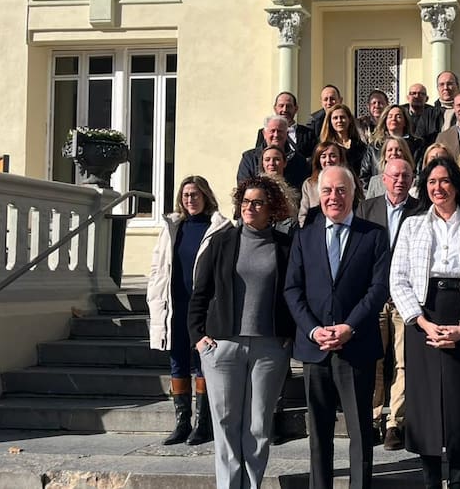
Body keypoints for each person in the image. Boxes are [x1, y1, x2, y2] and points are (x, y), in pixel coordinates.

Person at [390, 158, 460, 489]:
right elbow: (398, 278)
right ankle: (431, 480)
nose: (439, 187)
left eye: (445, 180)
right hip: (424, 316)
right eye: (432, 182)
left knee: (459, 402)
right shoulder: (411, 225)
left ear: (456, 185)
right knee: (424, 405)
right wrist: (421, 322)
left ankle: (459, 479)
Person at [284, 165, 391, 489]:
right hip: (315, 350)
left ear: (354, 193)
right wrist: (314, 330)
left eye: (341, 190)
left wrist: (349, 327)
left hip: (356, 348)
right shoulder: (304, 237)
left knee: (360, 431)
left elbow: (378, 289)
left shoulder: (373, 235)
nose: (334, 197)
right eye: (327, 190)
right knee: (319, 434)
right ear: (318, 195)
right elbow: (293, 289)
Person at [188, 175, 296, 489]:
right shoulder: (222, 242)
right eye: (246, 201)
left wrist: (288, 335)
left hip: (269, 348)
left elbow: (294, 292)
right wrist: (198, 336)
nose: (250, 207)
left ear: (271, 208)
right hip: (223, 346)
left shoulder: (285, 246)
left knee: (259, 426)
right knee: (225, 423)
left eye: (258, 202)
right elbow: (200, 292)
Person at [148, 176, 231, 446]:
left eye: (195, 194)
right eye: (185, 195)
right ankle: (182, 423)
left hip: (203, 308)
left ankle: (203, 423)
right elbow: (158, 267)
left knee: (202, 363)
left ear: (205, 195)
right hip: (175, 304)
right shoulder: (174, 227)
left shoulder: (219, 228)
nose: (190, 199)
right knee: (177, 362)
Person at [356, 158, 422, 451]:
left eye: (405, 176)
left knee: (404, 362)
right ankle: (372, 418)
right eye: (394, 176)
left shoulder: (421, 210)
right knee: (374, 360)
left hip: (405, 299)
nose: (399, 181)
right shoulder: (366, 210)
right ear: (383, 179)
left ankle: (395, 421)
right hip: (374, 297)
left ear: (411, 180)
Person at [238, 115, 309, 190]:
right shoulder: (249, 158)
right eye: (272, 131)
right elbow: (243, 186)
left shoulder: (298, 160)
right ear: (264, 134)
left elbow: (302, 190)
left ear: (287, 134)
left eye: (280, 131)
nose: (276, 135)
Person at [252, 91, 318, 160]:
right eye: (281, 106)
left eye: (289, 106)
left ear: (296, 109)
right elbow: (258, 157)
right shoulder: (266, 132)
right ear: (275, 108)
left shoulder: (308, 133)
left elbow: (313, 159)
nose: (285, 110)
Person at [321, 103, 374, 186]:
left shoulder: (360, 146)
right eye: (335, 118)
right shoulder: (324, 147)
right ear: (330, 121)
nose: (339, 121)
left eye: (342, 117)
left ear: (349, 119)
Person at [364, 135, 417, 200]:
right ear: (385, 155)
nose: (394, 153)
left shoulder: (414, 181)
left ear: (405, 154)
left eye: (399, 150)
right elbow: (368, 206)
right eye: (390, 150)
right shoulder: (375, 182)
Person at [415, 70, 460, 145]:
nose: (445, 88)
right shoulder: (428, 114)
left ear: (457, 86)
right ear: (438, 88)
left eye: (449, 84)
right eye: (442, 84)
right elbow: (419, 141)